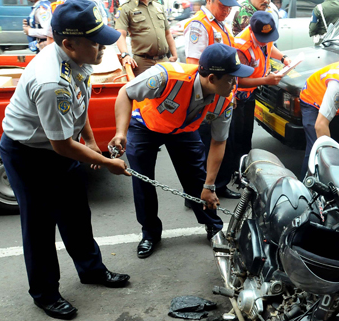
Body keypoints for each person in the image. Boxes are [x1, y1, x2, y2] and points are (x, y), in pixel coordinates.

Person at [0, 0, 131, 320]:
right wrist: (110, 164)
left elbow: (79, 104)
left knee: (75, 213)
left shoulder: (81, 58)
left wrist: (91, 140)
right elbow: (60, 146)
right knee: (40, 225)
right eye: (96, 41)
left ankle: (91, 270)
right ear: (69, 43)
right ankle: (45, 293)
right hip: (28, 154)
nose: (103, 48)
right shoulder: (51, 81)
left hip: (59, 144)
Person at [108, 43, 254, 259]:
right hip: (146, 126)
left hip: (183, 129)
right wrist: (121, 132)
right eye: (231, 78)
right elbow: (125, 92)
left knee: (197, 178)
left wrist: (210, 185)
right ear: (212, 78)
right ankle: (150, 233)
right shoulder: (166, 76)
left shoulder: (225, 99)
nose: (235, 83)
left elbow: (218, 142)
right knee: (143, 181)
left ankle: (213, 226)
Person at [184, 0, 242, 199]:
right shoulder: (200, 24)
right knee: (203, 146)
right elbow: (194, 65)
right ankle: (195, 193)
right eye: (222, 5)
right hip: (207, 98)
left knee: (222, 141)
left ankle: (219, 185)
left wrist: (230, 92)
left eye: (229, 7)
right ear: (209, 1)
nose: (227, 10)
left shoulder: (222, 24)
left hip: (223, 95)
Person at [233, 12, 290, 163]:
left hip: (252, 91)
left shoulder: (266, 35)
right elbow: (239, 81)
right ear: (251, 30)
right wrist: (266, 80)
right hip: (238, 97)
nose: (265, 42)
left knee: (247, 132)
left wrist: (284, 58)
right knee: (237, 135)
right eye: (262, 39)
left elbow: (269, 48)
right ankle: (234, 168)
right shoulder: (241, 46)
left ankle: (246, 163)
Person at [115, 0, 178, 76]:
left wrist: (174, 54)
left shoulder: (158, 6)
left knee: (168, 87)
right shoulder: (126, 8)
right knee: (143, 87)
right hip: (143, 63)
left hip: (163, 60)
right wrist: (125, 55)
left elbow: (167, 33)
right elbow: (120, 35)